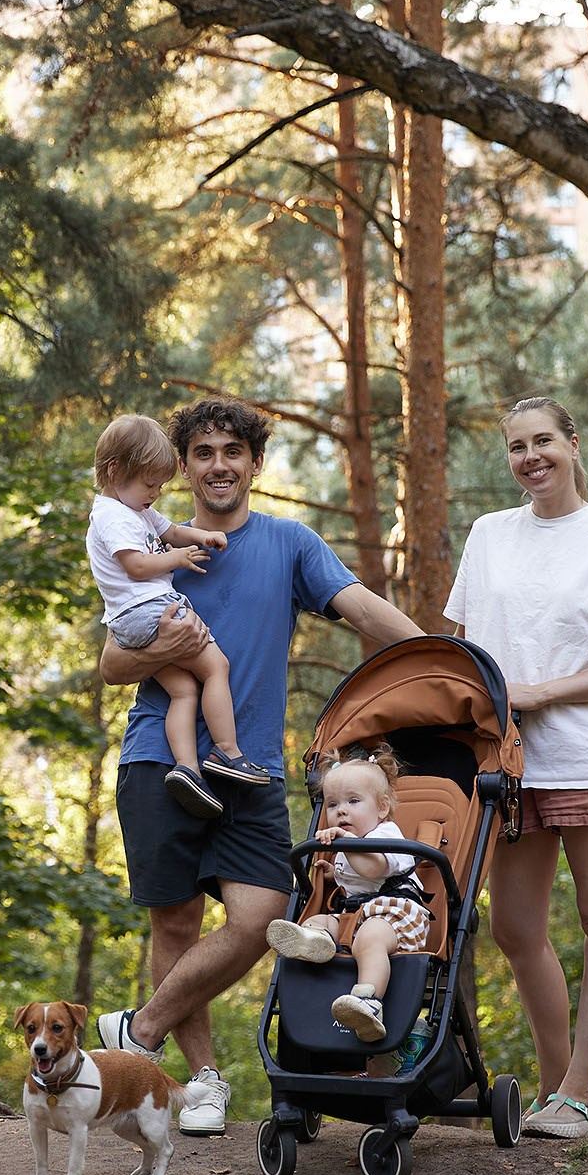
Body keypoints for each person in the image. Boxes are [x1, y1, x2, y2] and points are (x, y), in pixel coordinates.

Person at [91, 396, 423, 1137]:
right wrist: (175, 644)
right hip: (160, 755)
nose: (218, 465)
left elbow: (365, 608)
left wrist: (445, 656)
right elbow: (114, 659)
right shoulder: (146, 540)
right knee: (175, 920)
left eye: (231, 452)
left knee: (263, 913)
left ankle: (139, 1029)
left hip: (253, 771)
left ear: (254, 464)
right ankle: (202, 1079)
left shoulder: (287, 543)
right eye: (203, 452)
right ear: (183, 466)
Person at [443, 395, 588, 1141]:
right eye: (516, 446)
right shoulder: (488, 535)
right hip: (504, 760)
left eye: (543, 440)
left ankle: (579, 1094)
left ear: (573, 444)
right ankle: (554, 1089)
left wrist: (543, 691)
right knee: (516, 927)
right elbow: (461, 641)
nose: (530, 457)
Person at [85, 414, 271, 819]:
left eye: (161, 484)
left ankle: (186, 768)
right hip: (150, 611)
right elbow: (136, 566)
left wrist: (199, 536)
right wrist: (180, 559)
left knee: (183, 691)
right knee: (216, 667)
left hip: (133, 622)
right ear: (116, 471)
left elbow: (170, 531)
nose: (156, 493)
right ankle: (228, 753)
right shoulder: (112, 516)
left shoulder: (134, 509)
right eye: (150, 483)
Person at [263, 746, 434, 1042]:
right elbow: (357, 881)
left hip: (396, 916)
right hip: (356, 915)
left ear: (381, 808)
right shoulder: (349, 844)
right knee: (321, 920)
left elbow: (373, 868)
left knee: (369, 938)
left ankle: (368, 1001)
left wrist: (347, 844)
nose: (341, 810)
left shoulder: (386, 835)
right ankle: (313, 941)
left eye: (353, 801)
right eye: (332, 804)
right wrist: (333, 874)